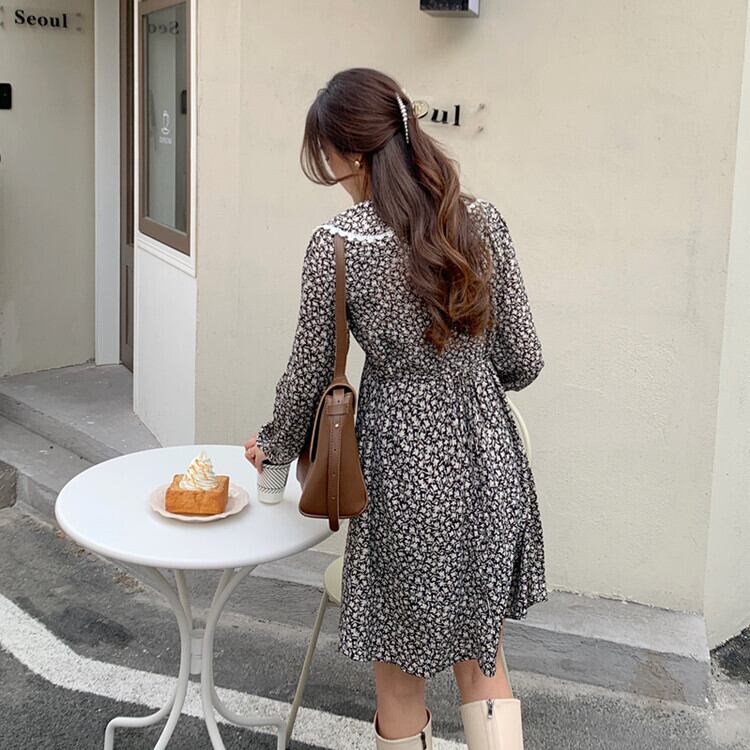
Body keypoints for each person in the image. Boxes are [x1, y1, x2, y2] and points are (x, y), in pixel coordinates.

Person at [244, 67, 548, 750]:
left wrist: (275, 447)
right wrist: (468, 380)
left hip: (400, 472)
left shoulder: (339, 245)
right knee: (484, 662)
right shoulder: (480, 221)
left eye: (328, 155)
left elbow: (309, 373)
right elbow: (524, 358)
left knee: (401, 680)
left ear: (353, 154)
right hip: (488, 463)